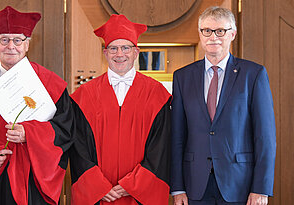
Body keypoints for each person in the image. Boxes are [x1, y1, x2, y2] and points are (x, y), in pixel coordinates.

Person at [0, 6, 74, 205]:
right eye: (4, 39)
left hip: (33, 178)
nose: (11, 46)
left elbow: (66, 132)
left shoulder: (49, 83)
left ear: (27, 45)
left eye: (18, 40)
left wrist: (30, 134)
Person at [171, 6, 276, 205]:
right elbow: (177, 136)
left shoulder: (253, 75)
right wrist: (178, 187)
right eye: (207, 31)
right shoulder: (182, 77)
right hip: (195, 185)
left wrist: (261, 188)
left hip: (240, 185)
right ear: (200, 34)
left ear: (233, 34)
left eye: (220, 31)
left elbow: (265, 137)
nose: (213, 37)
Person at [69, 14, 172, 204]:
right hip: (99, 196)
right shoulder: (84, 95)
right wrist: (98, 186)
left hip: (139, 195)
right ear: (105, 53)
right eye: (113, 48)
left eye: (126, 48)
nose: (119, 54)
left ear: (136, 52)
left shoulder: (157, 94)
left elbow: (162, 147)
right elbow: (78, 147)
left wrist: (132, 185)